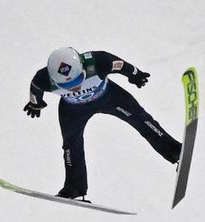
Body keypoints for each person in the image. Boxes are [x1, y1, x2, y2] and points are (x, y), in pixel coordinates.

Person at [25, 47, 182, 200]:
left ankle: (174, 150)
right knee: (71, 145)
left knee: (141, 119)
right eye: (67, 86)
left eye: (77, 80)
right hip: (73, 110)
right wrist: (35, 103)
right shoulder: (43, 78)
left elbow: (121, 65)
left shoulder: (98, 62)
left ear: (82, 67)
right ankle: (74, 187)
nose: (75, 87)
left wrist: (135, 74)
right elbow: (35, 88)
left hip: (110, 97)